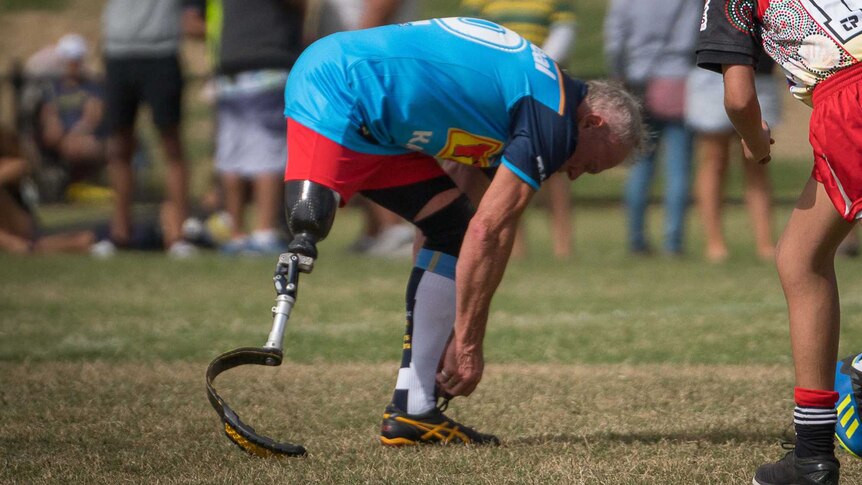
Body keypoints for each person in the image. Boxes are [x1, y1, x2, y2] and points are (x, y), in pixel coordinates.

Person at [280, 18, 644, 445]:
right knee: (308, 224)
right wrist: (468, 345)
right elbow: (489, 231)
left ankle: (413, 410)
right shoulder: (552, 114)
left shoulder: (526, 98)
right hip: (345, 84)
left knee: (447, 226)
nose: (578, 175)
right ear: (593, 123)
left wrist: (448, 329)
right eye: (593, 164)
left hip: (357, 93)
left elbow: (465, 227)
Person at [697, 1, 862, 484]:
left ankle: (813, 459)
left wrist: (752, 139)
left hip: (850, 101)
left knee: (802, 263)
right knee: (799, 255)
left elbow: (739, 98)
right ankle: (810, 452)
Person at [460, 0, 578, 259]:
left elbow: (565, 30)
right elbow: (475, 35)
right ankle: (515, 246)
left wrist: (537, 70)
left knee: (557, 171)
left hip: (548, 89)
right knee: (508, 168)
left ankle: (563, 245)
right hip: (503, 91)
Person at [189, 0, 305, 255]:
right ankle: (263, 232)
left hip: (228, 66)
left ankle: (237, 233)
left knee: (233, 154)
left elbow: (193, 22)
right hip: (268, 62)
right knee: (268, 151)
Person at [309, 0, 421, 258]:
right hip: (361, 55)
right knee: (362, 137)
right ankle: (376, 230)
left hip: (371, 59)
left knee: (376, 138)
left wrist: (350, 55)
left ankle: (395, 229)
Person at [101, 0, 199, 257]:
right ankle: (120, 234)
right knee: (119, 146)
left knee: (171, 145)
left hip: (161, 53)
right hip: (117, 53)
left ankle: (177, 234)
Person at [604, 0, 702, 256]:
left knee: (640, 164)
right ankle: (674, 241)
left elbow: (615, 41)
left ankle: (636, 239)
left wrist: (618, 75)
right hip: (679, 82)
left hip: (639, 81)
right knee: (679, 168)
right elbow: (693, 35)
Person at [685, 47, 782, 262]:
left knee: (759, 159)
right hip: (711, 72)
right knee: (714, 158)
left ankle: (766, 244)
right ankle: (715, 244)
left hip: (760, 74)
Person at [38, 34, 107, 187]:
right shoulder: (52, 88)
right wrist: (54, 127)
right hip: (63, 139)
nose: (72, 64)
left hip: (88, 136)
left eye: (76, 59)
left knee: (82, 147)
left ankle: (84, 183)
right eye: (68, 59)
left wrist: (75, 134)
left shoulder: (92, 85)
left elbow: (93, 116)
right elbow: (49, 115)